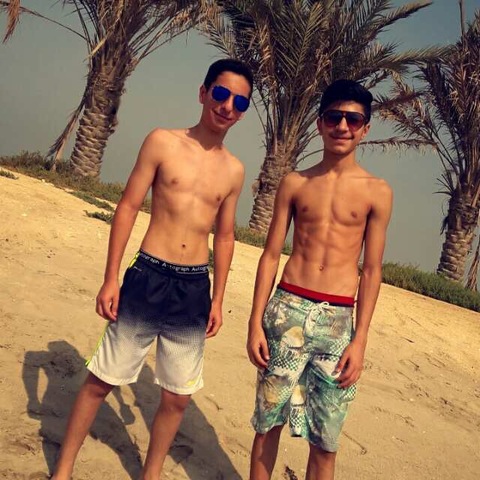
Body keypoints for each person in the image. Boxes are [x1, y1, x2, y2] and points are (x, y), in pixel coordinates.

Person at [51, 58, 253, 480]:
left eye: (240, 102)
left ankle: (151, 474)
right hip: (148, 275)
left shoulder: (234, 170)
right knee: (102, 379)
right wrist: (110, 277)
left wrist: (218, 298)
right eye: (221, 94)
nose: (227, 106)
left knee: (178, 396)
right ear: (203, 93)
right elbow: (128, 206)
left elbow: (225, 237)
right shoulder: (163, 142)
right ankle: (64, 468)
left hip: (193, 288)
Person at [247, 79, 393, 480]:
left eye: (353, 119)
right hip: (287, 310)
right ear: (320, 123)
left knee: (325, 440)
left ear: (365, 128)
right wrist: (255, 321)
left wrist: (360, 340)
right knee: (268, 424)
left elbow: (372, 270)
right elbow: (271, 254)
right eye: (334, 117)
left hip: (338, 323)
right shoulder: (295, 182)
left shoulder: (377, 192)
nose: (342, 126)